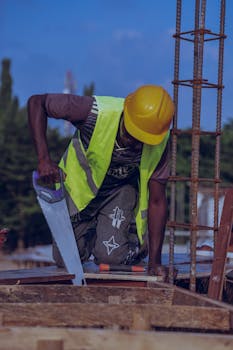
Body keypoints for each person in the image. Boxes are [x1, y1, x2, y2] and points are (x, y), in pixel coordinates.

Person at [27, 84, 175, 279]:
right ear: (126, 114)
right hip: (80, 188)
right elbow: (37, 102)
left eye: (144, 139)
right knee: (67, 259)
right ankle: (93, 233)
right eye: (133, 135)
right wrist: (43, 159)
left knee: (111, 258)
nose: (138, 143)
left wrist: (155, 262)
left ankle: (125, 242)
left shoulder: (160, 142)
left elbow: (157, 200)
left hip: (120, 191)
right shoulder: (93, 112)